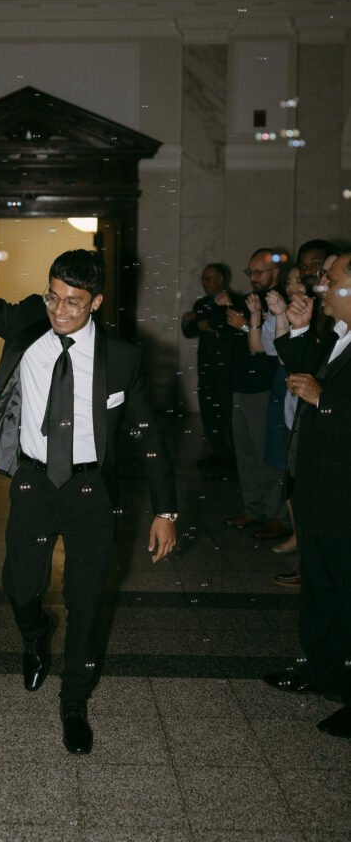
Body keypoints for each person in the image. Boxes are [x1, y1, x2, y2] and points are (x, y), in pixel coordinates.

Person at [0, 239, 177, 755]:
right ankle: (34, 632)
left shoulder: (122, 357)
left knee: (87, 601)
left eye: (73, 301)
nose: (59, 310)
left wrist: (165, 509)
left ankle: (74, 702)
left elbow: (146, 435)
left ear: (96, 300)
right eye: (53, 297)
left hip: (93, 491)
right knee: (19, 587)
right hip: (31, 484)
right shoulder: (30, 323)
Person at [264, 253, 351, 738]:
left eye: (332, 280)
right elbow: (306, 379)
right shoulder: (340, 336)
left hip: (344, 489)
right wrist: (297, 332)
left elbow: (324, 396)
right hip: (320, 486)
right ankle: (321, 671)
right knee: (322, 585)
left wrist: (327, 401)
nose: (322, 288)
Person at [222, 248, 285, 533]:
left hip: (266, 387)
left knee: (267, 456)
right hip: (242, 385)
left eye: (259, 272)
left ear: (276, 271)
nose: (253, 277)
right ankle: (254, 509)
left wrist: (247, 324)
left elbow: (272, 346)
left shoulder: (279, 300)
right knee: (245, 454)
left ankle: (277, 515)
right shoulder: (252, 299)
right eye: (250, 272)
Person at [181, 263, 238, 468]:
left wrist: (203, 321)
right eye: (203, 279)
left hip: (227, 365)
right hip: (206, 365)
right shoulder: (201, 304)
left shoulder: (233, 300)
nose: (205, 283)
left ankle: (233, 454)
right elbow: (189, 329)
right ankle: (219, 451)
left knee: (227, 410)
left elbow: (221, 324)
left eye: (209, 279)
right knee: (208, 410)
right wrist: (197, 320)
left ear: (221, 280)